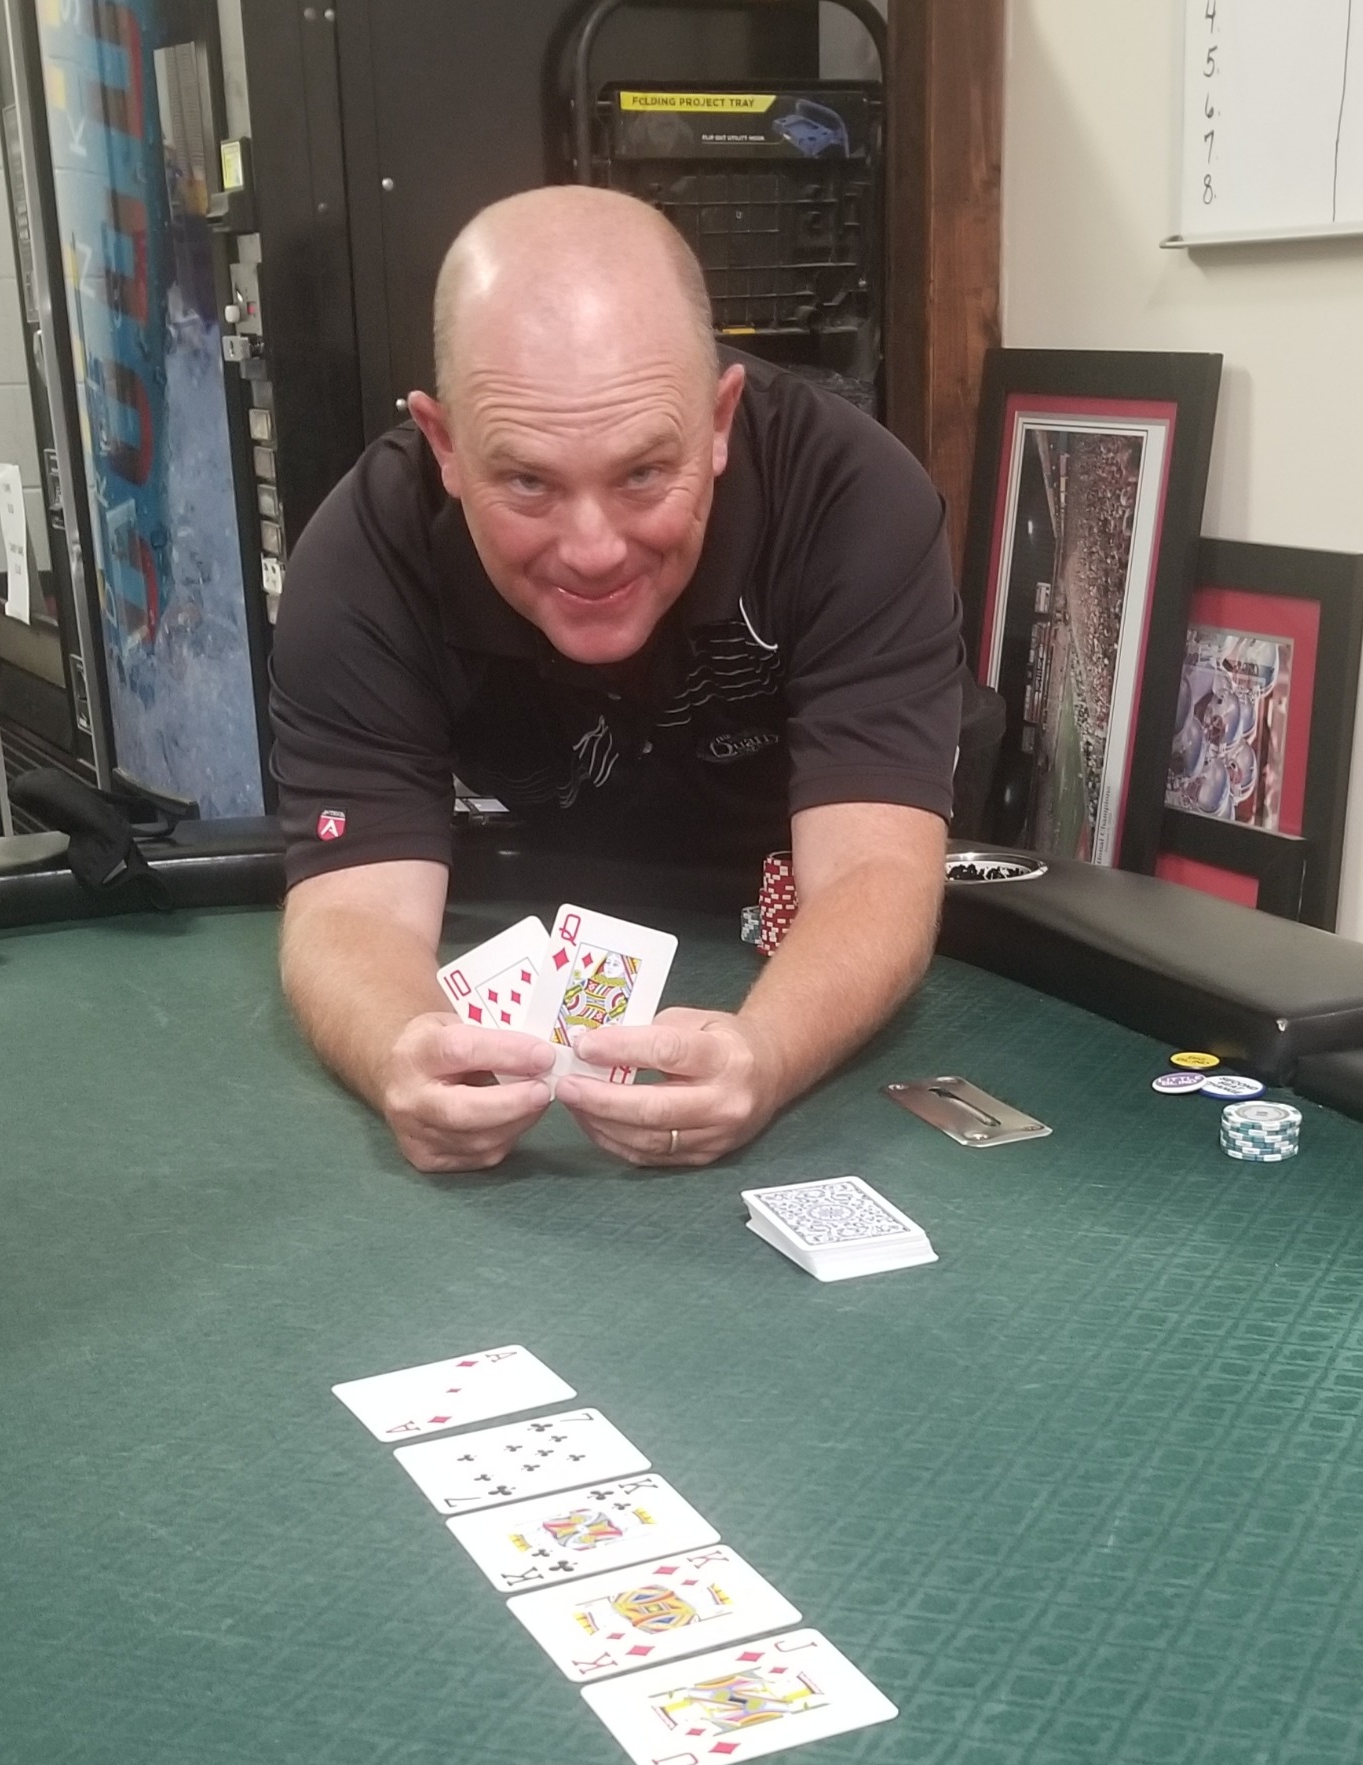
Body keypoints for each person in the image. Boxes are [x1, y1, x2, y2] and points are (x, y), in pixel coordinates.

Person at [271, 185, 963, 1174]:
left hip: (782, 909)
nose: (592, 551)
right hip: (549, 880)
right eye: (528, 482)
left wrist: (766, 1053)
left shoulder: (853, 501)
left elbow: (873, 870)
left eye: (642, 473)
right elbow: (353, 908)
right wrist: (399, 1049)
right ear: (445, 444)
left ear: (719, 419)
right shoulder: (362, 561)